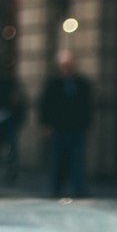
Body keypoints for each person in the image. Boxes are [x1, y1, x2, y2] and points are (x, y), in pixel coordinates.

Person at [40, 49, 93, 198]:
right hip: (58, 128)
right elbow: (46, 104)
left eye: (69, 65)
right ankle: (56, 188)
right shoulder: (54, 84)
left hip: (76, 128)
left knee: (77, 160)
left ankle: (79, 189)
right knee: (57, 160)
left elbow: (86, 105)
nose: (67, 68)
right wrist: (46, 124)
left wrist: (86, 124)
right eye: (64, 65)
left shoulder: (81, 84)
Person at [0, 60, 27, 184]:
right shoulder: (11, 85)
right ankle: (4, 172)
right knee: (4, 148)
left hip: (3, 120)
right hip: (6, 120)